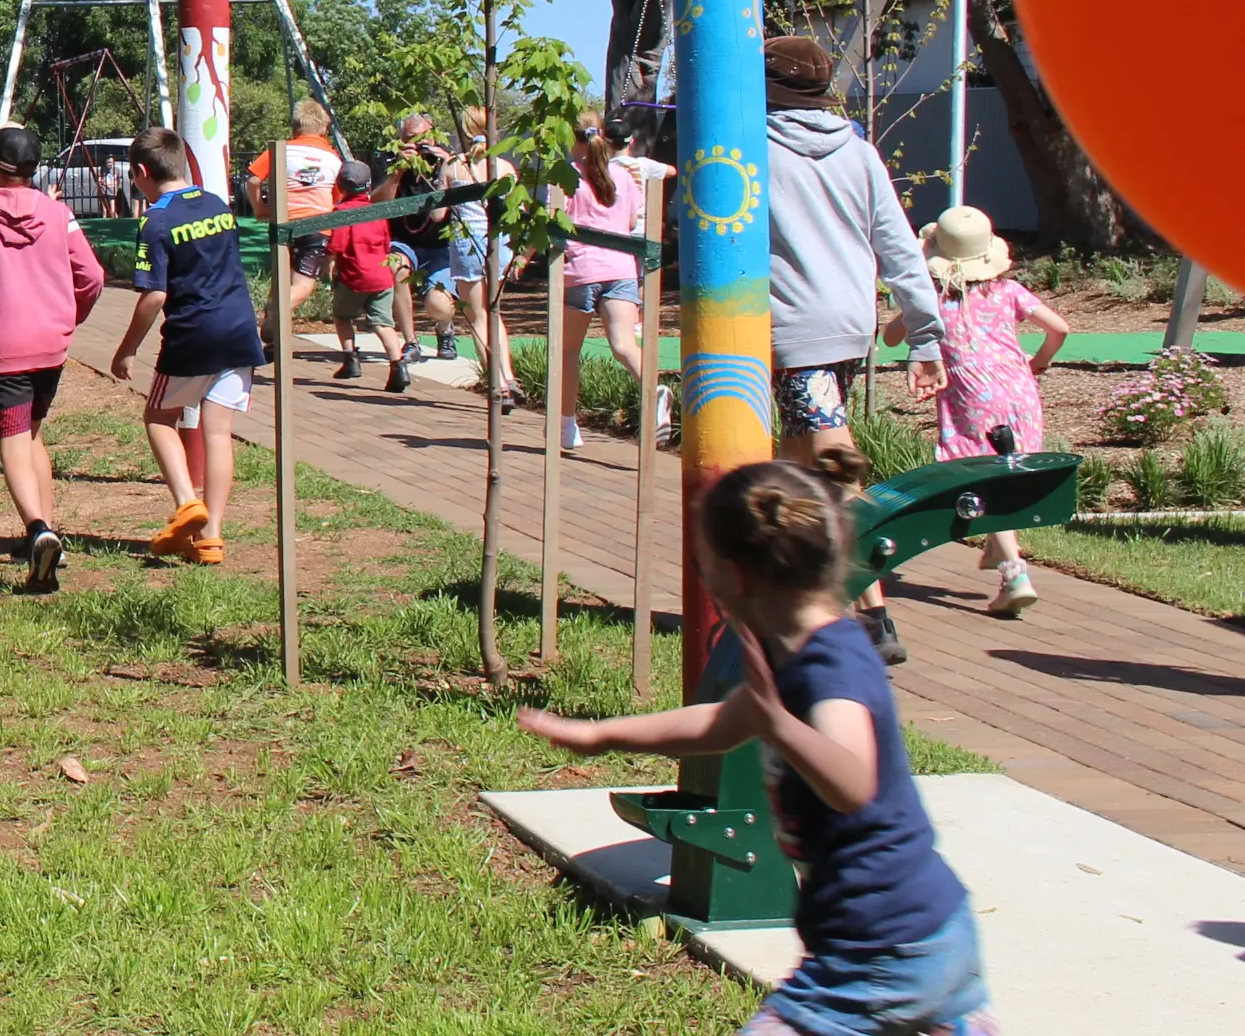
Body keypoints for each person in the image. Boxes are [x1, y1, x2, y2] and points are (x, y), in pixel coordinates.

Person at [519, 463, 992, 1036]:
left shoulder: (827, 667)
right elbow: (721, 722)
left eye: (703, 562)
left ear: (735, 577)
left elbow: (854, 782)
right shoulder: (797, 648)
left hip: (879, 951)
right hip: (930, 930)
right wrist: (600, 735)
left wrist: (780, 725)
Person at [764, 34, 945, 666]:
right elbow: (898, 246)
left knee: (833, 460)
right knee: (794, 468)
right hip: (848, 324)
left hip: (791, 328)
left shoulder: (750, 150)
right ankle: (794, 601)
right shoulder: (861, 152)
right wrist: (923, 333)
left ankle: (873, 614)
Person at [0, 126, 106, 590]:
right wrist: (69, 316)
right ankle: (46, 530)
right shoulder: (60, 214)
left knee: (13, 440)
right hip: (51, 344)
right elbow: (92, 275)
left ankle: (37, 528)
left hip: (3, 344)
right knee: (33, 433)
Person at [107, 126, 264, 566]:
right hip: (239, 330)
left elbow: (154, 295)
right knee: (217, 432)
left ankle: (185, 503)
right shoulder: (216, 203)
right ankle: (211, 536)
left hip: (193, 335)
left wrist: (126, 348)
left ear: (142, 171)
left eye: (134, 177)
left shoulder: (156, 220)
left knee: (158, 418)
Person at [907, 205, 1067, 619]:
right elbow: (1060, 328)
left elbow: (892, 335)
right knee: (1006, 469)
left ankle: (1014, 573)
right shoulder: (1009, 292)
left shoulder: (936, 303)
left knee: (984, 478)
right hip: (1018, 389)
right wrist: (1039, 363)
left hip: (971, 396)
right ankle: (998, 547)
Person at [557, 112, 677, 446]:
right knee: (624, 344)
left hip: (581, 270)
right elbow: (629, 223)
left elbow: (558, 223)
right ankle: (653, 389)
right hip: (622, 268)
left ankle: (568, 427)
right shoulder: (624, 176)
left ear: (574, 137)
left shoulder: (567, 175)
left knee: (568, 351)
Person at [241, 100, 345, 326]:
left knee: (282, 276)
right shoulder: (333, 158)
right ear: (323, 129)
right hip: (318, 224)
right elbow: (337, 196)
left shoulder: (282, 150)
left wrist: (260, 208)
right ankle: (275, 309)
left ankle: (272, 331)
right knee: (304, 282)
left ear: (295, 127)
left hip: (283, 221)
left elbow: (253, 180)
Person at [441, 108, 520, 400]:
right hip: (497, 242)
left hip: (466, 242)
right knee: (495, 313)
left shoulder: (452, 167)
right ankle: (509, 376)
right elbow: (515, 211)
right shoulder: (505, 168)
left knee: (477, 317)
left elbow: (437, 215)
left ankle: (497, 383)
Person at [379, 112, 457, 364]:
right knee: (395, 267)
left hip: (439, 245)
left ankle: (445, 329)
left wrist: (447, 167)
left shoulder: (447, 160)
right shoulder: (391, 160)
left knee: (438, 304)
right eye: (411, 139)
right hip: (404, 241)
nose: (419, 145)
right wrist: (398, 172)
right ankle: (411, 341)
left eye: (424, 139)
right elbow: (377, 203)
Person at [319, 159, 404, 390]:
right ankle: (398, 365)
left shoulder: (342, 212)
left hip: (354, 277)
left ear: (340, 186)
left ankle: (351, 359)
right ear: (368, 186)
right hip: (381, 276)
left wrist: (329, 263)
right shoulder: (376, 211)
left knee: (342, 316)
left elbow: (338, 243)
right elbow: (386, 242)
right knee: (383, 323)